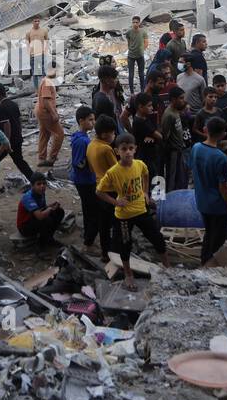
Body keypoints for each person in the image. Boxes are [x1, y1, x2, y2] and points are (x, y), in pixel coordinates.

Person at [96, 134, 170, 289]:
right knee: (125, 246)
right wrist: (116, 201)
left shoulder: (139, 164)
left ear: (135, 149)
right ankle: (128, 274)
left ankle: (168, 268)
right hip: (123, 217)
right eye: (124, 149)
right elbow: (99, 191)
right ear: (117, 151)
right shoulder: (113, 172)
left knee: (157, 238)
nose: (128, 152)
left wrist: (145, 192)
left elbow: (146, 174)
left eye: (131, 148)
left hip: (141, 211)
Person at [190, 116, 227, 264]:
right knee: (217, 242)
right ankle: (210, 270)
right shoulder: (220, 157)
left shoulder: (196, 148)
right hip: (217, 206)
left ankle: (204, 264)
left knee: (209, 235)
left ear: (206, 130)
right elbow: (223, 188)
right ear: (223, 134)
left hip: (202, 201)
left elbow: (193, 170)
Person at [87, 115, 120, 261]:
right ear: (105, 134)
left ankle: (105, 253)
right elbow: (116, 171)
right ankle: (116, 252)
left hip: (98, 186)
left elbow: (91, 168)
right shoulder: (106, 149)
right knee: (117, 222)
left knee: (103, 224)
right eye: (113, 133)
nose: (114, 135)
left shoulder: (91, 145)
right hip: (110, 190)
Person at [70, 107, 102, 251]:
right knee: (94, 211)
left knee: (89, 210)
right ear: (81, 121)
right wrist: (93, 166)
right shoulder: (81, 142)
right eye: (90, 120)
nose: (93, 123)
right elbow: (79, 163)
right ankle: (88, 243)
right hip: (85, 181)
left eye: (93, 119)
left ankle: (87, 237)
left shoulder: (82, 138)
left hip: (85, 180)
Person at [0, 83, 35, 180]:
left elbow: (7, 125)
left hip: (8, 141)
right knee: (20, 162)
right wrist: (19, 135)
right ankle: (34, 179)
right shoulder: (13, 104)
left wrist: (6, 143)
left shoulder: (2, 107)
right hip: (17, 139)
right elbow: (19, 122)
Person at [17, 173, 66, 247]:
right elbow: (40, 216)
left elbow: (42, 208)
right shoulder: (28, 197)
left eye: (44, 183)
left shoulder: (41, 193)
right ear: (32, 185)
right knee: (46, 220)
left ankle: (49, 238)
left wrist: (51, 206)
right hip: (24, 227)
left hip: (33, 218)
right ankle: (42, 244)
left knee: (59, 211)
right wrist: (50, 208)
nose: (42, 186)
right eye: (38, 184)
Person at [159, 86, 192, 191]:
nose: (183, 101)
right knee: (172, 176)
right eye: (181, 98)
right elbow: (165, 135)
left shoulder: (176, 111)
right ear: (173, 99)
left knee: (180, 174)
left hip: (179, 149)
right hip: (172, 151)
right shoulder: (169, 114)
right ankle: (170, 196)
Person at [34, 63, 65, 167]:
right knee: (59, 134)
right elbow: (46, 101)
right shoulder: (47, 82)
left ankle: (41, 158)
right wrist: (53, 113)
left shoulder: (46, 81)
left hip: (41, 110)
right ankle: (52, 158)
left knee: (44, 134)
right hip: (45, 112)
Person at [128, 92, 162, 171]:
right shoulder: (141, 122)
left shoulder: (144, 117)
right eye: (149, 105)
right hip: (146, 158)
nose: (152, 108)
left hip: (149, 155)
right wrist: (155, 137)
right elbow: (160, 136)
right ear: (140, 107)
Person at [92, 64, 125, 135]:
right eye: (115, 78)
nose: (116, 80)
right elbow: (107, 127)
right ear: (107, 80)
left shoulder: (98, 95)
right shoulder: (103, 101)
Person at [25, 15, 50, 90]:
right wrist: (29, 54)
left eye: (38, 21)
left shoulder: (44, 31)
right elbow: (27, 44)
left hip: (41, 55)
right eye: (35, 21)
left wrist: (45, 51)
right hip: (33, 56)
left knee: (43, 72)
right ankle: (37, 89)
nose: (37, 22)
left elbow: (47, 41)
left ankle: (46, 87)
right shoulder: (28, 33)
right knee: (35, 73)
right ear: (32, 22)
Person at [125, 16, 148, 95]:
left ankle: (142, 90)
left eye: (136, 22)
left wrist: (142, 50)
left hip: (140, 56)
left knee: (141, 74)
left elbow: (146, 43)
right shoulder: (129, 32)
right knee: (131, 75)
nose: (135, 24)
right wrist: (131, 49)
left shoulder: (143, 32)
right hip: (131, 56)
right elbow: (128, 42)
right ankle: (132, 92)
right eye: (133, 22)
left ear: (139, 23)